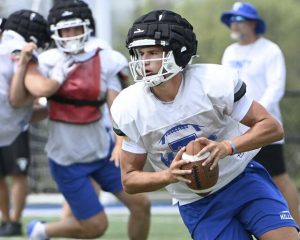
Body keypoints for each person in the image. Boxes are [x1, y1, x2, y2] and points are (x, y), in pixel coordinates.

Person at [111, 9, 300, 240]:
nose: (144, 61)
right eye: (140, 53)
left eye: (153, 52)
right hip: (196, 201)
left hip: (242, 179)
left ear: (178, 53)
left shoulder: (213, 83)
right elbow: (129, 179)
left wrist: (226, 147)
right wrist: (169, 175)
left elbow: (271, 127)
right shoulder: (130, 107)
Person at [11, 1, 150, 239]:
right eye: (66, 30)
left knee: (142, 205)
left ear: (87, 28)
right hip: (66, 160)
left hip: (102, 152)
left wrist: (120, 142)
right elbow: (22, 105)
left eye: (76, 28)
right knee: (96, 226)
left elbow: (116, 107)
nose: (72, 35)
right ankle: (41, 231)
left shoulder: (106, 58)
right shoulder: (46, 61)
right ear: (56, 32)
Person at [220, 2, 300, 225]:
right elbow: (226, 86)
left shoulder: (270, 50)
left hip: (264, 126)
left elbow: (276, 87)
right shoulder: (230, 52)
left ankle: (297, 224)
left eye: (239, 20)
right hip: (236, 128)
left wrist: (257, 118)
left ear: (253, 24)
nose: (234, 25)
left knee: (278, 177)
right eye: (233, 20)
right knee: (237, 176)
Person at [0, 10, 50, 237]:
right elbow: (18, 100)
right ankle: (10, 219)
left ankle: (12, 220)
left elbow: (19, 113)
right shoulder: (21, 51)